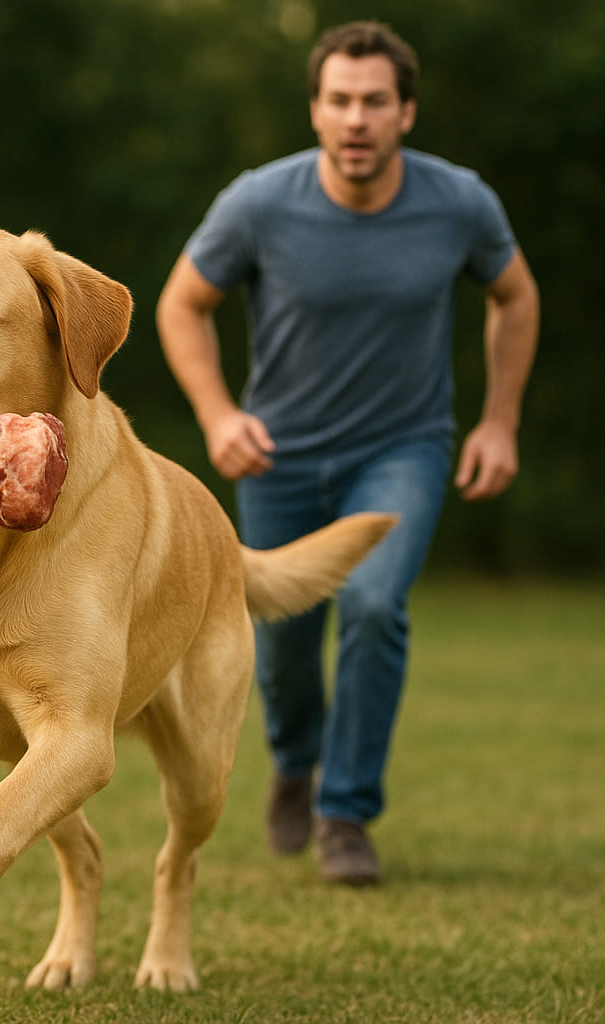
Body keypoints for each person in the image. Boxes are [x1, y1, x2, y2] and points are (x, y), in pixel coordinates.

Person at [156, 21, 539, 885]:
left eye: (374, 102)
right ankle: (295, 763)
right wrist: (219, 415)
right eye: (339, 101)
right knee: (284, 651)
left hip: (402, 449)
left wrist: (499, 420)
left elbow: (514, 296)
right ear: (317, 110)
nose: (356, 119)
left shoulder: (460, 203)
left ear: (406, 111)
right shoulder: (260, 202)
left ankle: (346, 814)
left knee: (372, 605)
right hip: (278, 458)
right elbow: (182, 304)